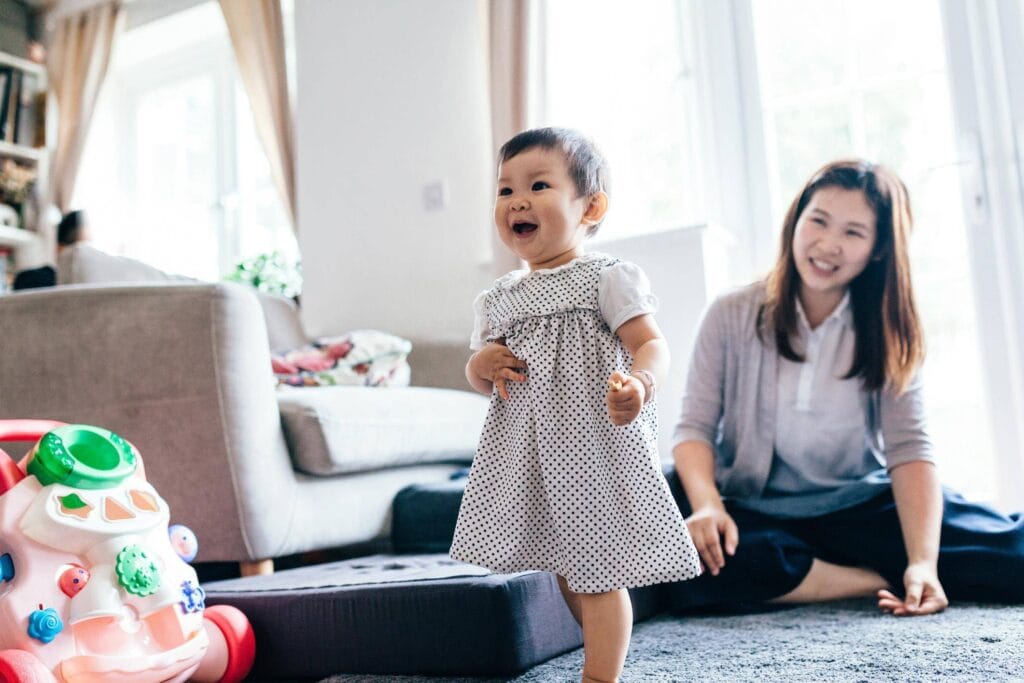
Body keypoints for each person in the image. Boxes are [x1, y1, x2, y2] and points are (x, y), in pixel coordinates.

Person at [672, 158, 1024, 617]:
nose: (828, 244)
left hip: (862, 505)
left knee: (1010, 558)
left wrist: (921, 562)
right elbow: (694, 428)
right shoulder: (730, 312)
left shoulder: (890, 327)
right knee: (688, 559)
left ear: (878, 249)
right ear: (796, 221)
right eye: (818, 221)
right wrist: (707, 508)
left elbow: (909, 449)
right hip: (759, 509)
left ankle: (844, 569)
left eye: (853, 232)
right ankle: (871, 576)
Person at [450, 127, 700, 682]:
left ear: (591, 206)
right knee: (565, 567)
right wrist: (482, 366)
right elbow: (480, 374)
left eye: (538, 185)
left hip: (595, 447)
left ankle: (599, 675)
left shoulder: (606, 278)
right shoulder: (497, 299)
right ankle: (595, 649)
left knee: (599, 570)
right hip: (531, 454)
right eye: (504, 189)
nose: (516, 200)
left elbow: (650, 344)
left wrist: (640, 385)